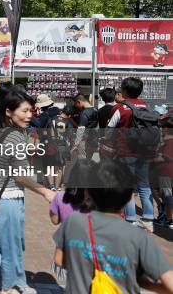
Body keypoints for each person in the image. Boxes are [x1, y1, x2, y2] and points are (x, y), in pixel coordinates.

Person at [0, 89, 56, 294]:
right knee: (11, 251)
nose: (30, 116)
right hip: (8, 200)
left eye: (31, 111)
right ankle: (10, 288)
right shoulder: (16, 137)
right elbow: (19, 176)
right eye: (25, 111)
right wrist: (45, 191)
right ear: (9, 112)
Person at [53, 160, 173, 293]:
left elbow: (59, 260)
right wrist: (142, 283)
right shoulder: (140, 238)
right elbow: (170, 285)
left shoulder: (73, 222)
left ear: (88, 192)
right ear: (129, 198)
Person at [107, 77, 155, 232]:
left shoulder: (120, 108)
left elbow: (108, 131)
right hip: (144, 152)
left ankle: (131, 219)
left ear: (125, 91)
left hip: (125, 152)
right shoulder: (146, 107)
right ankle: (148, 218)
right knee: (144, 186)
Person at [72, 94, 98, 160]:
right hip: (94, 139)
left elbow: (81, 129)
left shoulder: (84, 113)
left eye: (75, 104)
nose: (75, 106)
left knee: (82, 161)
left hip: (85, 141)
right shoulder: (96, 110)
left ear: (79, 102)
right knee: (89, 160)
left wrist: (76, 144)